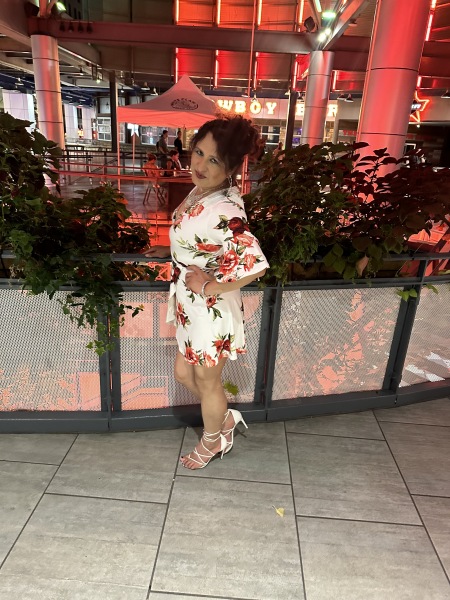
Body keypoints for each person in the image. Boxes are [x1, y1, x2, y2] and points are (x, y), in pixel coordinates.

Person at [145, 115, 269, 470]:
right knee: (184, 374)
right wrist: (174, 252)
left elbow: (255, 264)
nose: (199, 165)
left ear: (230, 167)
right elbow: (200, 238)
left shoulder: (225, 209)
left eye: (213, 160)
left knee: (206, 380)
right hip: (191, 304)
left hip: (210, 307)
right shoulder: (204, 190)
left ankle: (213, 439)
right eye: (198, 152)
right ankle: (224, 418)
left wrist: (208, 285)